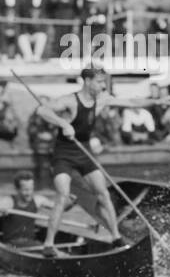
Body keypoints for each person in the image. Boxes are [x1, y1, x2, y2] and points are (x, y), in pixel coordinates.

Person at [34, 67, 122, 257]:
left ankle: (116, 237)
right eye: (99, 82)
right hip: (63, 155)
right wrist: (64, 124)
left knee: (103, 193)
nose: (102, 85)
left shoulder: (102, 99)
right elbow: (42, 110)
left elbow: (131, 102)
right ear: (88, 81)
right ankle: (48, 245)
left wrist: (157, 101)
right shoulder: (69, 100)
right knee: (63, 196)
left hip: (85, 154)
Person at [0, 170, 56, 247]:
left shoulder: (38, 200)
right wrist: (0, 209)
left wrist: (72, 201)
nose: (29, 193)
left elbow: (59, 208)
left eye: (31, 189)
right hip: (12, 244)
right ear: (17, 189)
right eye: (25, 190)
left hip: (31, 242)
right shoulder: (8, 201)